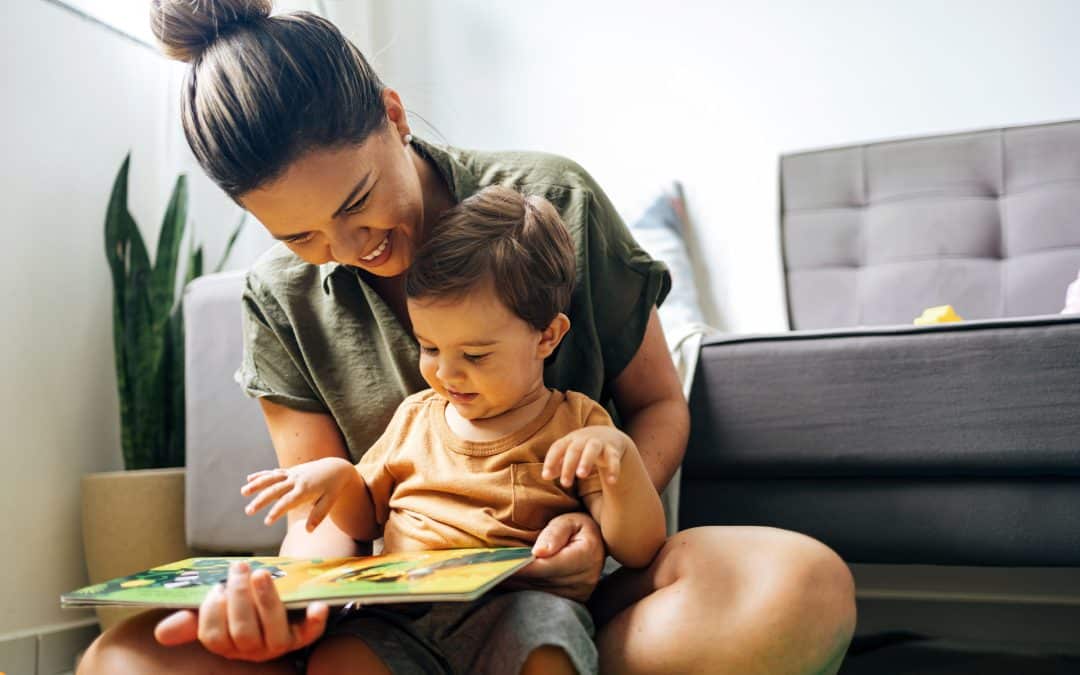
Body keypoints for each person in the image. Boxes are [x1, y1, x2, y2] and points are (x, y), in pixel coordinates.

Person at [80, 2, 856, 673]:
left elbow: (658, 405)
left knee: (803, 589)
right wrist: (285, 609)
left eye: (358, 203)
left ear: (393, 114)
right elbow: (321, 520)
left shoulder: (554, 201)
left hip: (568, 591)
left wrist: (600, 520)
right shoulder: (278, 297)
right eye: (303, 235)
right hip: (393, 616)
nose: (350, 248)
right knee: (121, 660)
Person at [238, 185, 667, 674]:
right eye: (430, 348)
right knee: (340, 658)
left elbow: (640, 547)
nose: (447, 373)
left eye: (475, 355)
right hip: (403, 614)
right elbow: (366, 522)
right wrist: (338, 480)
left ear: (547, 336)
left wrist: (621, 460)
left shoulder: (577, 425)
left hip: (518, 609)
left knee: (549, 648)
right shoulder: (415, 418)